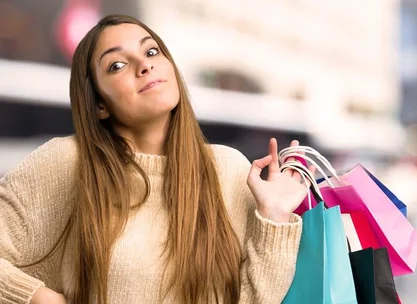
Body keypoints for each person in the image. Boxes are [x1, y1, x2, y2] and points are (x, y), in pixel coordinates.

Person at [0, 15, 313, 304]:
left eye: (151, 52)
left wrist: (274, 215)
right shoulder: (69, 162)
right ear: (99, 105)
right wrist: (38, 297)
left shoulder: (228, 170)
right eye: (117, 65)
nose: (144, 65)